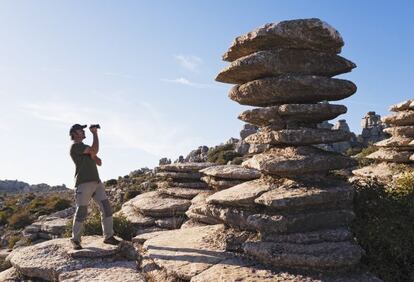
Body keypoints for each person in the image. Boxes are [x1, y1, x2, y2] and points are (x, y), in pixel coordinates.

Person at [69, 123, 120, 250]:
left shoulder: (85, 148)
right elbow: (95, 152)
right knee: (81, 211)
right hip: (83, 183)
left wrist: (92, 154)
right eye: (81, 130)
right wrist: (95, 134)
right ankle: (75, 240)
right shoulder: (75, 147)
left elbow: (99, 161)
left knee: (106, 208)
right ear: (75, 133)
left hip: (97, 183)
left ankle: (108, 237)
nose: (83, 131)